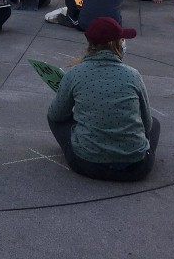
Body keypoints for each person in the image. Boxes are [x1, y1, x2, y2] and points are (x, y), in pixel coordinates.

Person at [47, 17, 160, 182]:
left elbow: (56, 115)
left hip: (87, 164)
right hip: (136, 168)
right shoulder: (133, 74)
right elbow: (147, 124)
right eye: (122, 39)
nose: (124, 43)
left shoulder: (75, 73)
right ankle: (134, 151)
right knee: (155, 123)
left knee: (55, 117)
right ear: (116, 45)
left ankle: (89, 146)